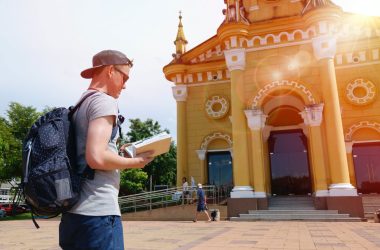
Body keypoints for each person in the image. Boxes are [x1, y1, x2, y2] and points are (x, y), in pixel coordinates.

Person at [59, 50, 155, 250]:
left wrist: (116, 153)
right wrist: (136, 162)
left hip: (73, 215)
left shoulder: (80, 104)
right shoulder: (104, 101)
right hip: (98, 214)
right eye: (124, 77)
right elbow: (96, 157)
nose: (125, 84)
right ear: (111, 71)